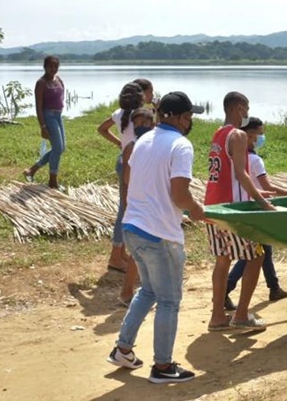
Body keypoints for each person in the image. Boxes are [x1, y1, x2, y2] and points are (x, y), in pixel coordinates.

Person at [106, 91, 205, 384]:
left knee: (148, 291)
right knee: (169, 300)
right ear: (176, 117)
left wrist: (167, 205)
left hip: (133, 228)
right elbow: (179, 193)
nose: (189, 121)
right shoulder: (181, 145)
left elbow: (130, 180)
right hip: (159, 234)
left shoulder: (143, 140)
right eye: (188, 116)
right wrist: (196, 209)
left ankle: (123, 349)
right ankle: (162, 367)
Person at [204, 92, 274, 332]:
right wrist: (262, 203)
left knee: (223, 259)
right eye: (246, 109)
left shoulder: (217, 133)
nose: (247, 113)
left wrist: (256, 192)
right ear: (238, 108)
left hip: (213, 206)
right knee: (256, 256)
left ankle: (217, 317)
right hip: (234, 208)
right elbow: (241, 173)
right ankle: (241, 315)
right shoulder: (238, 134)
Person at [224, 117, 287, 310]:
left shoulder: (233, 156)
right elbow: (268, 187)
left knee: (264, 250)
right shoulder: (254, 160)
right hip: (256, 208)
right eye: (260, 134)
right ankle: (226, 288)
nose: (262, 137)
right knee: (255, 254)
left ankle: (274, 287)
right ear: (249, 135)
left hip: (245, 205)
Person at [97, 81, 153, 273]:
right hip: (136, 163)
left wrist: (119, 144)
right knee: (126, 209)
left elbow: (101, 129)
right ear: (141, 96)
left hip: (124, 161)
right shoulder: (143, 115)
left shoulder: (119, 114)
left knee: (126, 207)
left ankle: (120, 253)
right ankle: (115, 255)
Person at [116, 107, 155, 306]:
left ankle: (145, 290)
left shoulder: (153, 145)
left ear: (153, 124)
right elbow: (127, 178)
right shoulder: (131, 147)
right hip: (141, 204)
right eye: (137, 124)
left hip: (149, 204)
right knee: (138, 250)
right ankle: (127, 291)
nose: (140, 127)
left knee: (146, 250)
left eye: (144, 123)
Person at [23, 56, 66, 189]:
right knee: (58, 148)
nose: (53, 69)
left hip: (58, 116)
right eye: (50, 66)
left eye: (55, 66)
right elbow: (38, 106)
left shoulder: (59, 80)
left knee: (61, 148)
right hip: (49, 116)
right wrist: (43, 125)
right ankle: (52, 181)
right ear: (45, 67)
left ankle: (32, 169)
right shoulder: (41, 83)